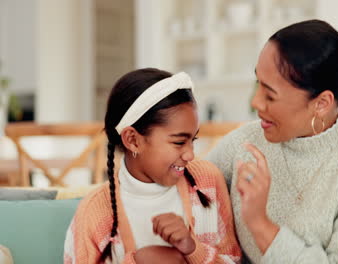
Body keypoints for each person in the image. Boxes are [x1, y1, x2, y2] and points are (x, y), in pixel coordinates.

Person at [206, 19, 338, 263]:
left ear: (321, 103)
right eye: (258, 84)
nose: (255, 102)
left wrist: (260, 224)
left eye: (270, 94)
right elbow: (189, 188)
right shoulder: (243, 143)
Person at [64, 68, 241, 263]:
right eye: (179, 142)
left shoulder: (207, 182)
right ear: (133, 140)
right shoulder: (94, 213)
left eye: (193, 139)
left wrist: (193, 249)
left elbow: (233, 258)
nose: (190, 154)